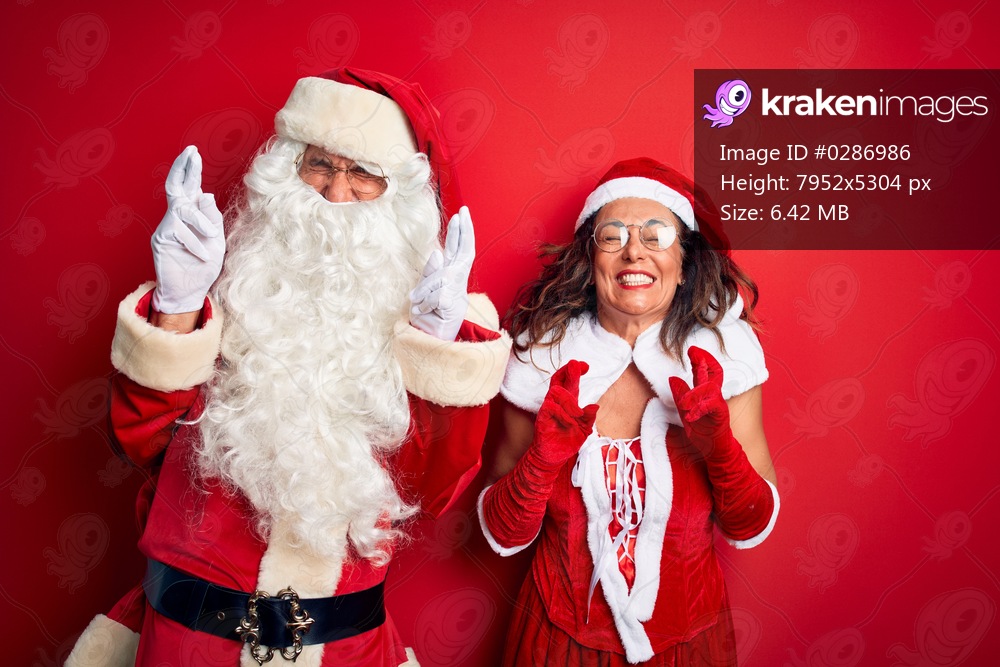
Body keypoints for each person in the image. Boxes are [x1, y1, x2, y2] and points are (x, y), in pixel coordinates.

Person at [66, 68, 511, 667]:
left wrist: (431, 346)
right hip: (188, 643)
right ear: (288, 170)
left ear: (400, 197)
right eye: (320, 165)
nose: (334, 193)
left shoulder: (427, 320)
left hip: (340, 649)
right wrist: (175, 308)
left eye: (363, 174)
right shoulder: (232, 290)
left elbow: (433, 492)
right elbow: (140, 443)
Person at [478, 157, 779, 665]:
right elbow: (502, 534)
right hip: (557, 642)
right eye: (612, 236)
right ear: (589, 261)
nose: (634, 250)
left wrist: (718, 447)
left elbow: (749, 526)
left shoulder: (727, 361)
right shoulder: (541, 359)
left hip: (687, 646)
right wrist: (543, 459)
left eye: (656, 235)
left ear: (684, 264)